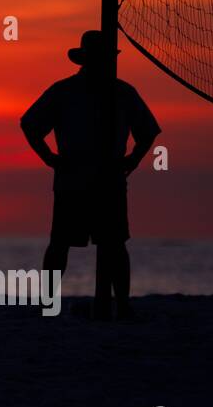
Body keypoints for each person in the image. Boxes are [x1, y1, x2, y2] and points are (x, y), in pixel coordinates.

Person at [20, 30, 161, 320]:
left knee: (106, 244)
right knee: (76, 244)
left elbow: (147, 131)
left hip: (98, 179)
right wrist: (50, 159)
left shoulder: (117, 92)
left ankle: (117, 304)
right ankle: (63, 304)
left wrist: (132, 160)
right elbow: (29, 125)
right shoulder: (72, 91)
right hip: (81, 179)